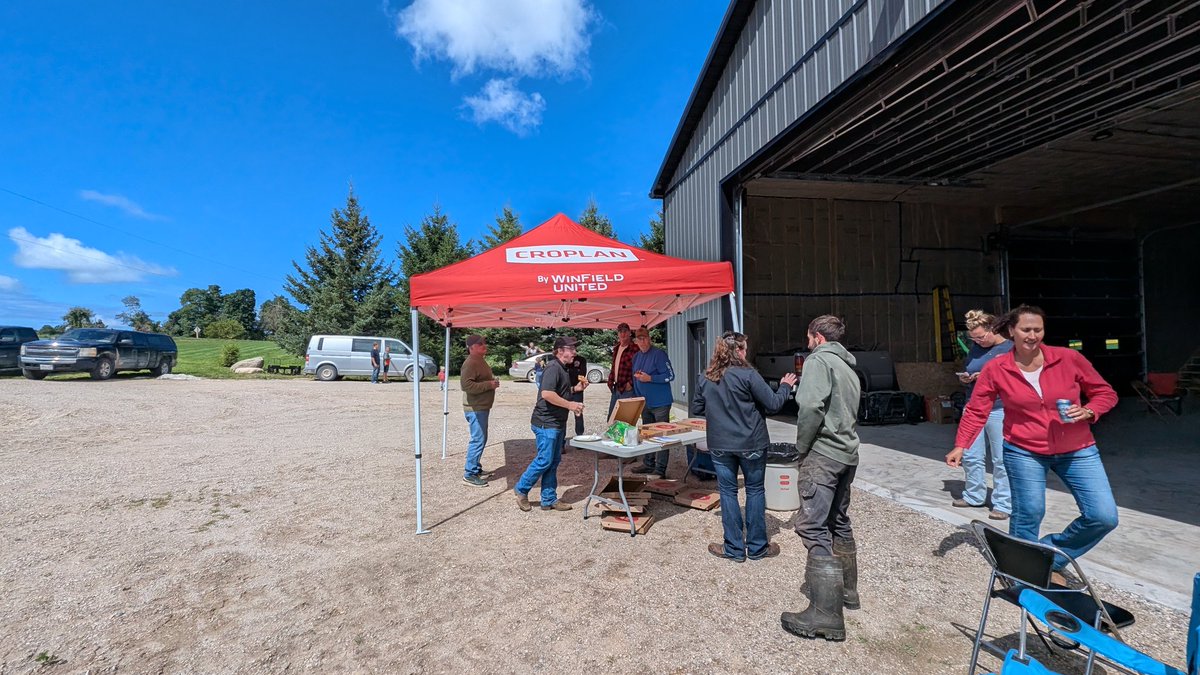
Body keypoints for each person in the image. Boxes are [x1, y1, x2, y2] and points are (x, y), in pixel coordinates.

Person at [946, 304, 1118, 581]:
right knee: (1029, 512)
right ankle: (1019, 572)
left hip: (1078, 449)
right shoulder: (996, 368)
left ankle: (1049, 553)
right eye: (1026, 329)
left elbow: (1105, 393)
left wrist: (1089, 410)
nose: (1033, 335)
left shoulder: (1068, 358)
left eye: (1038, 329)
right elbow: (978, 409)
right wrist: (961, 445)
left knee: (1103, 516)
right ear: (1012, 331)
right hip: (1024, 449)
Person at [781, 315, 862, 643]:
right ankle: (848, 592)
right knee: (838, 521)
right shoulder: (848, 367)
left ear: (816, 337)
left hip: (824, 454)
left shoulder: (818, 362)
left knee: (812, 525)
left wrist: (802, 447)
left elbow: (811, 406)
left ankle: (826, 615)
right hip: (847, 453)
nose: (808, 343)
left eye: (809, 338)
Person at [693, 331, 797, 562]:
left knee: (728, 492)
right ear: (738, 351)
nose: (746, 351)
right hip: (750, 442)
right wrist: (785, 386)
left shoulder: (706, 377)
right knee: (755, 490)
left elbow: (697, 408)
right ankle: (757, 547)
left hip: (720, 444)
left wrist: (720, 412)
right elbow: (773, 404)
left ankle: (733, 548)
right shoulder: (748, 375)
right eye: (745, 348)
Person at [515, 336, 588, 512]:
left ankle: (548, 499)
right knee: (544, 459)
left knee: (553, 461)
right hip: (545, 423)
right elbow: (547, 393)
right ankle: (521, 489)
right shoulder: (553, 368)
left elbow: (559, 390)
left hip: (556, 423)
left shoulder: (563, 369)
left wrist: (574, 389)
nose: (574, 352)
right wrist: (570, 405)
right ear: (560, 351)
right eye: (571, 349)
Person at [953, 309, 1013, 519]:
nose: (977, 341)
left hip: (999, 408)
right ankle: (973, 495)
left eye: (980, 336)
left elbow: (1014, 378)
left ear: (992, 329)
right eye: (973, 338)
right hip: (974, 406)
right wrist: (967, 378)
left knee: (1001, 459)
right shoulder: (976, 348)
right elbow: (970, 367)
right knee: (970, 455)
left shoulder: (1009, 348)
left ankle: (1003, 504)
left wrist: (987, 377)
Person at [631, 327, 675, 477]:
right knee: (647, 434)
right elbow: (635, 378)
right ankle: (648, 463)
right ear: (635, 341)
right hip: (645, 403)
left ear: (649, 339)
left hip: (661, 403)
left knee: (662, 435)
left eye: (644, 338)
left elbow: (670, 375)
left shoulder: (659, 354)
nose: (641, 341)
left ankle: (660, 469)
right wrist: (638, 397)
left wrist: (650, 378)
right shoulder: (636, 357)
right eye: (638, 339)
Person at [460, 334, 500, 487]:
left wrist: (491, 383)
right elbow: (467, 386)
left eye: (484, 342)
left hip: (480, 407)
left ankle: (475, 468)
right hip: (475, 408)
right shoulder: (470, 363)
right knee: (478, 440)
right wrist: (489, 385)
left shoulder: (479, 360)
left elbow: (477, 381)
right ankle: (469, 474)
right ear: (471, 348)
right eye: (480, 344)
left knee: (480, 439)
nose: (484, 345)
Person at [606, 322, 638, 418]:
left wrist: (631, 383)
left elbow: (639, 368)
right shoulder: (616, 348)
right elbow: (614, 367)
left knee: (625, 418)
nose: (622, 334)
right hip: (616, 388)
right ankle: (612, 434)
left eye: (625, 331)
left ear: (629, 333)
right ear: (618, 334)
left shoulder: (635, 349)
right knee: (612, 417)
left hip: (627, 389)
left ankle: (624, 434)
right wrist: (610, 381)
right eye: (620, 332)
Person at [564, 349, 587, 437]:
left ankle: (580, 435)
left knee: (578, 413)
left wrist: (579, 386)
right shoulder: (565, 360)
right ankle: (561, 442)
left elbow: (582, 374)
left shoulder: (581, 360)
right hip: (565, 390)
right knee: (562, 414)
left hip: (578, 391)